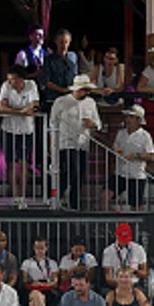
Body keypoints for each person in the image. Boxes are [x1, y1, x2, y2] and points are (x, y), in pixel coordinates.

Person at [49, 74, 101, 210]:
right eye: (85, 89)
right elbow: (52, 124)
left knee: (79, 174)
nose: (88, 92)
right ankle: (57, 198)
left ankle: (74, 203)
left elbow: (98, 123)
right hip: (65, 143)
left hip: (83, 144)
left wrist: (93, 124)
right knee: (69, 171)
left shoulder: (91, 103)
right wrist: (52, 146)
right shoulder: (60, 102)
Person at [0, 65, 41, 208]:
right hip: (8, 129)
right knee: (9, 163)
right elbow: (1, 107)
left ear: (21, 79)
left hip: (26, 130)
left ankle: (21, 196)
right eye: (9, 80)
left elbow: (34, 104)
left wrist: (16, 110)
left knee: (23, 164)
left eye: (13, 80)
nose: (10, 83)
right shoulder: (5, 86)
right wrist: (21, 112)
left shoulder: (31, 85)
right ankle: (15, 195)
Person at [101, 223, 149, 291]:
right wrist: (121, 286)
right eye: (122, 239)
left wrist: (134, 271)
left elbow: (145, 274)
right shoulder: (108, 251)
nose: (124, 242)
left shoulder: (139, 249)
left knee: (142, 299)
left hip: (134, 286)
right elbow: (108, 277)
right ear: (116, 236)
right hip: (116, 286)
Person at [20, 237, 60, 306]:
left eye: (41, 248)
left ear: (46, 248)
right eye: (37, 248)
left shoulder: (52, 263)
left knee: (34, 302)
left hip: (47, 289)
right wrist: (33, 283)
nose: (39, 250)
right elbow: (24, 280)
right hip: (32, 288)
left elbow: (55, 281)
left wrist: (44, 285)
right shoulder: (27, 263)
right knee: (36, 295)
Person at [40, 29, 80, 102]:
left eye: (66, 42)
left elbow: (75, 75)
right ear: (56, 42)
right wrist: (62, 90)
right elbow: (45, 80)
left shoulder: (73, 56)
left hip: (70, 96)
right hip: (54, 97)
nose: (64, 45)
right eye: (61, 42)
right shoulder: (50, 59)